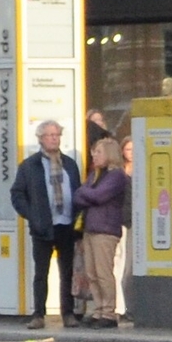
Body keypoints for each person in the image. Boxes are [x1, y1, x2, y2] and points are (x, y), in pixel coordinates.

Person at [9, 119, 84, 329]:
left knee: (67, 271)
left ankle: (68, 313)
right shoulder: (29, 165)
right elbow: (17, 194)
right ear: (41, 139)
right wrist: (32, 215)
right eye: (50, 135)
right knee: (41, 273)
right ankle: (38, 314)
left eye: (57, 135)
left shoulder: (69, 163)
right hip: (43, 225)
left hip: (66, 224)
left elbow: (77, 191)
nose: (54, 138)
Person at [72, 133, 128, 329]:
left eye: (98, 152)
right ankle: (98, 309)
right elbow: (78, 196)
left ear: (109, 154)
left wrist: (85, 193)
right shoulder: (95, 174)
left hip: (105, 229)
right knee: (91, 272)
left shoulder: (117, 176)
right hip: (90, 227)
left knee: (104, 272)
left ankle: (109, 312)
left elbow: (98, 196)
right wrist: (87, 194)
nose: (94, 155)